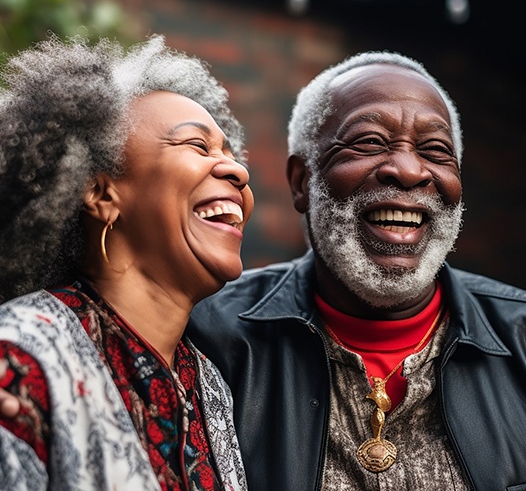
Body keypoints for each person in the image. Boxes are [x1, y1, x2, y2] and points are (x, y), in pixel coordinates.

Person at [185, 51, 526, 490]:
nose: (407, 170)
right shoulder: (211, 338)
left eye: (435, 150)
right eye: (369, 142)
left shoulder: (518, 337)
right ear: (302, 181)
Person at [0, 34, 253, 490]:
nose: (239, 172)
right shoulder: (20, 356)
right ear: (100, 194)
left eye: (230, 154)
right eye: (197, 145)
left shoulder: (210, 384)